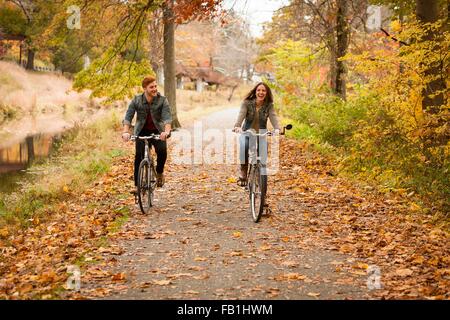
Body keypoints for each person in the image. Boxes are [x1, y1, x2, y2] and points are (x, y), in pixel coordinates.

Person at [122, 76, 172, 189]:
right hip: (141, 131)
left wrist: (166, 132)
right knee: (138, 157)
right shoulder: (137, 100)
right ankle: (137, 186)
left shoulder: (162, 100)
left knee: (162, 151)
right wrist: (125, 131)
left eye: (155, 86)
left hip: (158, 131)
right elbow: (128, 116)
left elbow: (167, 118)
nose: (155, 89)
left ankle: (159, 173)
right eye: (151, 87)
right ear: (145, 88)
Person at [233, 82, 281, 186]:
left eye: (263, 90)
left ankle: (260, 175)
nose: (261, 92)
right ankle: (243, 170)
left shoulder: (269, 105)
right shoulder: (247, 103)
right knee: (244, 146)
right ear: (255, 92)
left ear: (267, 93)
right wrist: (237, 126)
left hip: (262, 134)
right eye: (259, 90)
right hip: (247, 132)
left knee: (262, 155)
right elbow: (241, 114)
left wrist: (277, 129)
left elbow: (273, 117)